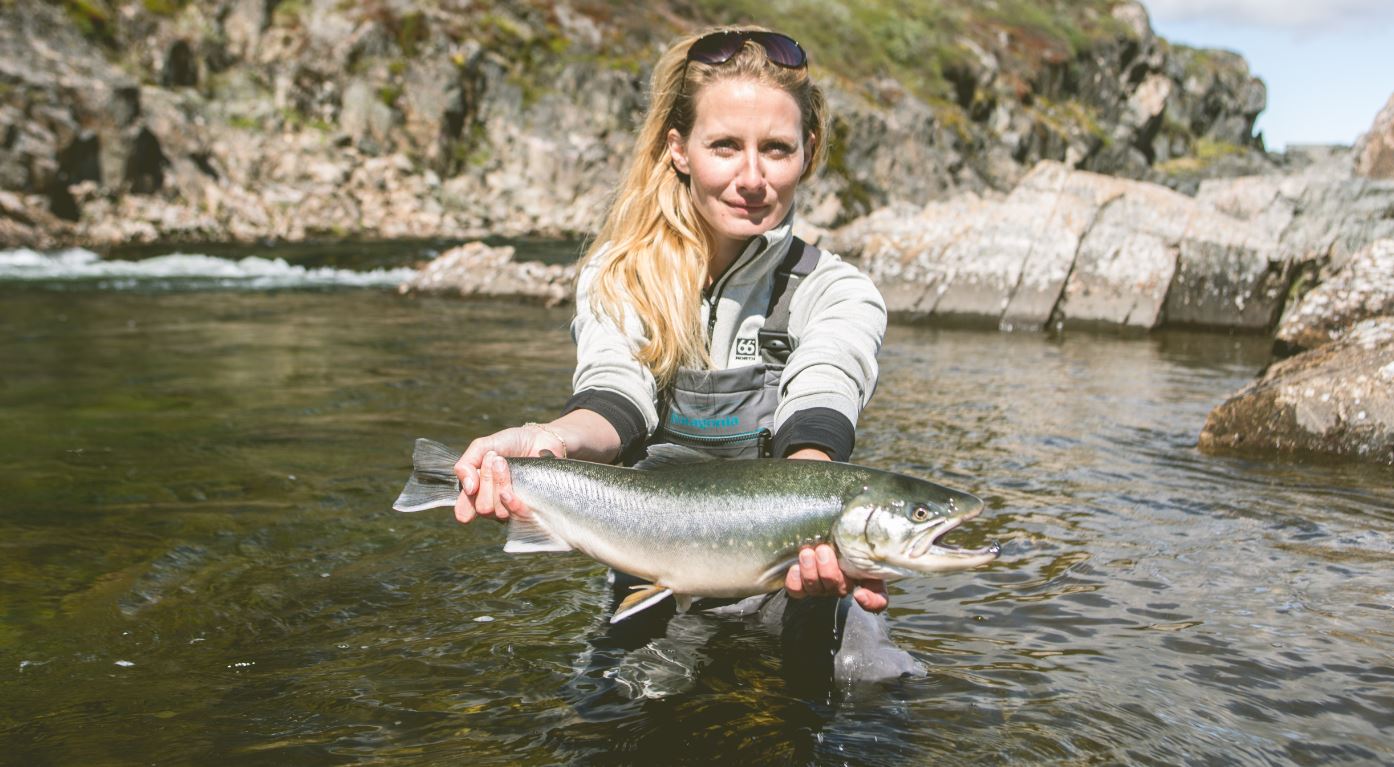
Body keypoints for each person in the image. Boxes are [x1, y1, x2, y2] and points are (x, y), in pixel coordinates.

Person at [450, 26, 916, 688]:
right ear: (680, 150)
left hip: (795, 573)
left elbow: (820, 407)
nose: (751, 178)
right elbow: (615, 401)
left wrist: (820, 531)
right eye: (725, 146)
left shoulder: (839, 292)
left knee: (870, 693)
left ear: (806, 156)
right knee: (618, 709)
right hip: (654, 568)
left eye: (776, 150)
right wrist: (545, 441)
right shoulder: (620, 275)